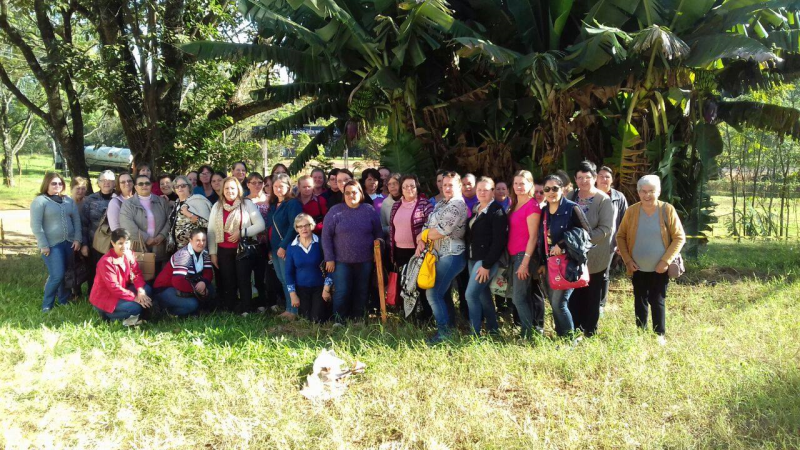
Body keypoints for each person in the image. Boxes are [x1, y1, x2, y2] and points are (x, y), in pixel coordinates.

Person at [616, 175, 685, 345]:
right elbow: (620, 236)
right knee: (639, 300)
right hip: (637, 266)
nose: (647, 195)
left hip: (659, 268)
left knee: (658, 300)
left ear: (659, 192)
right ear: (638, 192)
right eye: (643, 191)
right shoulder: (632, 211)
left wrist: (665, 261)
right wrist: (627, 260)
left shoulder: (667, 210)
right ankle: (640, 332)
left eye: (651, 191)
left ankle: (659, 334)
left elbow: (679, 237)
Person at [417, 171, 468, 344]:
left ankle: (444, 333)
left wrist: (423, 235)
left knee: (433, 293)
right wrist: (423, 237)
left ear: (459, 186)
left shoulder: (457, 205)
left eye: (450, 185)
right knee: (443, 293)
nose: (446, 188)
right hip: (440, 254)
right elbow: (428, 224)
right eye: (444, 184)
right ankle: (449, 328)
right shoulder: (441, 204)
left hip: (452, 255)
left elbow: (441, 231)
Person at [537, 174, 590, 338]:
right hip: (550, 263)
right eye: (547, 189)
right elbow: (542, 239)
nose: (551, 192)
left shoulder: (571, 207)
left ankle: (569, 339)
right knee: (554, 303)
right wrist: (541, 262)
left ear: (562, 189)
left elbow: (586, 232)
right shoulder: (544, 211)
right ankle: (561, 336)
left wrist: (562, 243)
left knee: (559, 303)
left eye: (555, 188)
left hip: (568, 263)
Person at [567, 161, 615, 338]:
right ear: (575, 179)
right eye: (579, 177)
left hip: (595, 255)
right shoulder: (571, 196)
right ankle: (575, 327)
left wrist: (583, 240)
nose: (583, 181)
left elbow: (606, 228)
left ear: (594, 178)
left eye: (587, 177)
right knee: (574, 292)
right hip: (573, 255)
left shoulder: (603, 200)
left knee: (592, 294)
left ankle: (590, 330)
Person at [323, 180, 382, 324]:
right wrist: (329, 258)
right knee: (342, 291)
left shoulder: (369, 210)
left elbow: (378, 233)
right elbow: (326, 236)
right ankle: (339, 319)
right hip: (341, 260)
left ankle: (358, 318)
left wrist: (378, 249)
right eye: (347, 193)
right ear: (344, 195)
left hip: (365, 260)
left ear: (360, 193)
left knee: (361, 290)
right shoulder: (335, 211)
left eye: (354, 192)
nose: (351, 195)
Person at [208, 177, 266, 313]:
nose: (229, 191)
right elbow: (211, 231)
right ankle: (232, 308)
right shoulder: (217, 206)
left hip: (243, 250)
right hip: (223, 250)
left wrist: (242, 232)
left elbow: (260, 225)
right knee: (228, 281)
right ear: (223, 190)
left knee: (244, 280)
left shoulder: (246, 204)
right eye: (227, 188)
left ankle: (246, 309)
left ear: (238, 189)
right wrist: (213, 253)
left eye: (232, 188)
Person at [30, 172, 82, 312]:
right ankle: (47, 304)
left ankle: (64, 299)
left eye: (60, 183)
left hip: (69, 243)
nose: (57, 186)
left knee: (65, 273)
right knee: (57, 275)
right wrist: (43, 244)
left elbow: (76, 220)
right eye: (54, 183)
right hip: (52, 245)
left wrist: (77, 239)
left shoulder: (68, 200)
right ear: (46, 184)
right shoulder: (40, 201)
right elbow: (36, 225)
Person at [465, 177, 508, 336]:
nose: (482, 192)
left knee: (470, 295)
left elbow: (499, 242)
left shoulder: (497, 211)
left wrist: (487, 265)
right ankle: (493, 329)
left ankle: (474, 333)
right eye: (479, 189)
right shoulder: (477, 208)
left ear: (492, 192)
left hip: (485, 261)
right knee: (483, 296)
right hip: (473, 258)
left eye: (486, 189)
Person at [507, 170, 545, 337]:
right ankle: (527, 330)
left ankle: (527, 333)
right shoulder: (514, 203)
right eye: (516, 183)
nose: (518, 187)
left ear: (530, 184)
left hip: (524, 256)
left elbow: (533, 237)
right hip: (513, 255)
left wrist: (524, 263)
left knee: (519, 297)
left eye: (522, 183)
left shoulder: (532, 205)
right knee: (519, 296)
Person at [389, 175, 433, 318]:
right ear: (401, 189)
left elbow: (430, 227)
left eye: (412, 186)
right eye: (405, 186)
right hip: (400, 251)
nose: (409, 189)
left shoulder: (425, 205)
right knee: (405, 285)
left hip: (418, 252)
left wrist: (422, 242)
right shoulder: (396, 205)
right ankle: (408, 315)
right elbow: (392, 229)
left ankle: (425, 316)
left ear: (417, 187)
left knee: (419, 285)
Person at [89, 228, 152, 324]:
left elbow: (136, 273)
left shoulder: (129, 254)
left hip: (122, 291)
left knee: (146, 289)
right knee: (135, 308)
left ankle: (136, 315)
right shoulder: (106, 262)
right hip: (106, 297)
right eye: (120, 243)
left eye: (127, 243)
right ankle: (106, 315)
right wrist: (135, 298)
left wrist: (140, 291)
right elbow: (114, 287)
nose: (124, 246)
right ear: (113, 243)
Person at [266, 173, 304, 319]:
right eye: (275, 186)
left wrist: (283, 246)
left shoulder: (292, 204)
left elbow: (294, 227)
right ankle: (289, 307)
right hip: (274, 248)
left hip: (286, 247)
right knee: (282, 278)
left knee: (289, 278)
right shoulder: (273, 205)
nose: (278, 189)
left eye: (281, 186)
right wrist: (271, 248)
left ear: (288, 187)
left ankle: (294, 310)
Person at [153, 228, 213, 317]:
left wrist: (203, 283)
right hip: (165, 288)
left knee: (211, 290)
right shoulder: (184, 255)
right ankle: (164, 311)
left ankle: (192, 310)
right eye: (198, 240)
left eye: (203, 240)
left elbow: (208, 272)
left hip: (184, 285)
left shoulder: (204, 253)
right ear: (190, 240)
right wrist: (196, 291)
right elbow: (178, 281)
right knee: (193, 304)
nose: (201, 243)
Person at [286, 213, 333, 322]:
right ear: (296, 229)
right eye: (300, 226)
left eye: (306, 225)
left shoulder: (321, 243)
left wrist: (327, 289)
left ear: (312, 226)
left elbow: (330, 267)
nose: (304, 229)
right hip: (301, 289)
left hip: (320, 288)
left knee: (317, 320)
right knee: (305, 320)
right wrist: (293, 295)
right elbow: (289, 272)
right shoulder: (291, 247)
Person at [119, 175, 171, 270]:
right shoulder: (128, 204)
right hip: (138, 249)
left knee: (158, 279)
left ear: (151, 185)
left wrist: (162, 235)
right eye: (141, 184)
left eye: (147, 183)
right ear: (135, 187)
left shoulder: (161, 201)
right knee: (141, 279)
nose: (144, 186)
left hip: (159, 247)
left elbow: (170, 219)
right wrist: (146, 238)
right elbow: (127, 225)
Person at [596, 165, 628, 315]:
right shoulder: (589, 195)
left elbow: (624, 220)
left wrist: (621, 243)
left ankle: (601, 304)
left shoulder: (618, 197)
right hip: (590, 241)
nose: (604, 179)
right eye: (601, 176)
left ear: (612, 180)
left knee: (604, 273)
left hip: (609, 242)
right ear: (595, 179)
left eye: (607, 176)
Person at [81, 170, 117, 294]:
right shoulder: (90, 200)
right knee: (93, 270)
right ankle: (93, 295)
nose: (106, 183)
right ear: (98, 183)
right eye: (103, 180)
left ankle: (110, 294)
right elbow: (84, 223)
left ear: (114, 183)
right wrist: (84, 244)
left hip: (114, 244)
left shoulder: (119, 199)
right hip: (94, 243)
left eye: (110, 180)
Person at [245, 172, 270, 310]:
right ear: (248, 184)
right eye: (253, 182)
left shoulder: (269, 199)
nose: (257, 185)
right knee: (253, 273)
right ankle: (255, 302)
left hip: (268, 241)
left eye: (260, 182)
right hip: (252, 242)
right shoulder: (244, 201)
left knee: (266, 273)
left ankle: (267, 301)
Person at [168, 175, 212, 250]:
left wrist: (189, 215)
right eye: (177, 186)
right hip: (178, 249)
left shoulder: (198, 201)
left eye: (183, 186)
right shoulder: (177, 203)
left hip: (194, 249)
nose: (180, 188)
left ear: (189, 187)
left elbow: (208, 224)